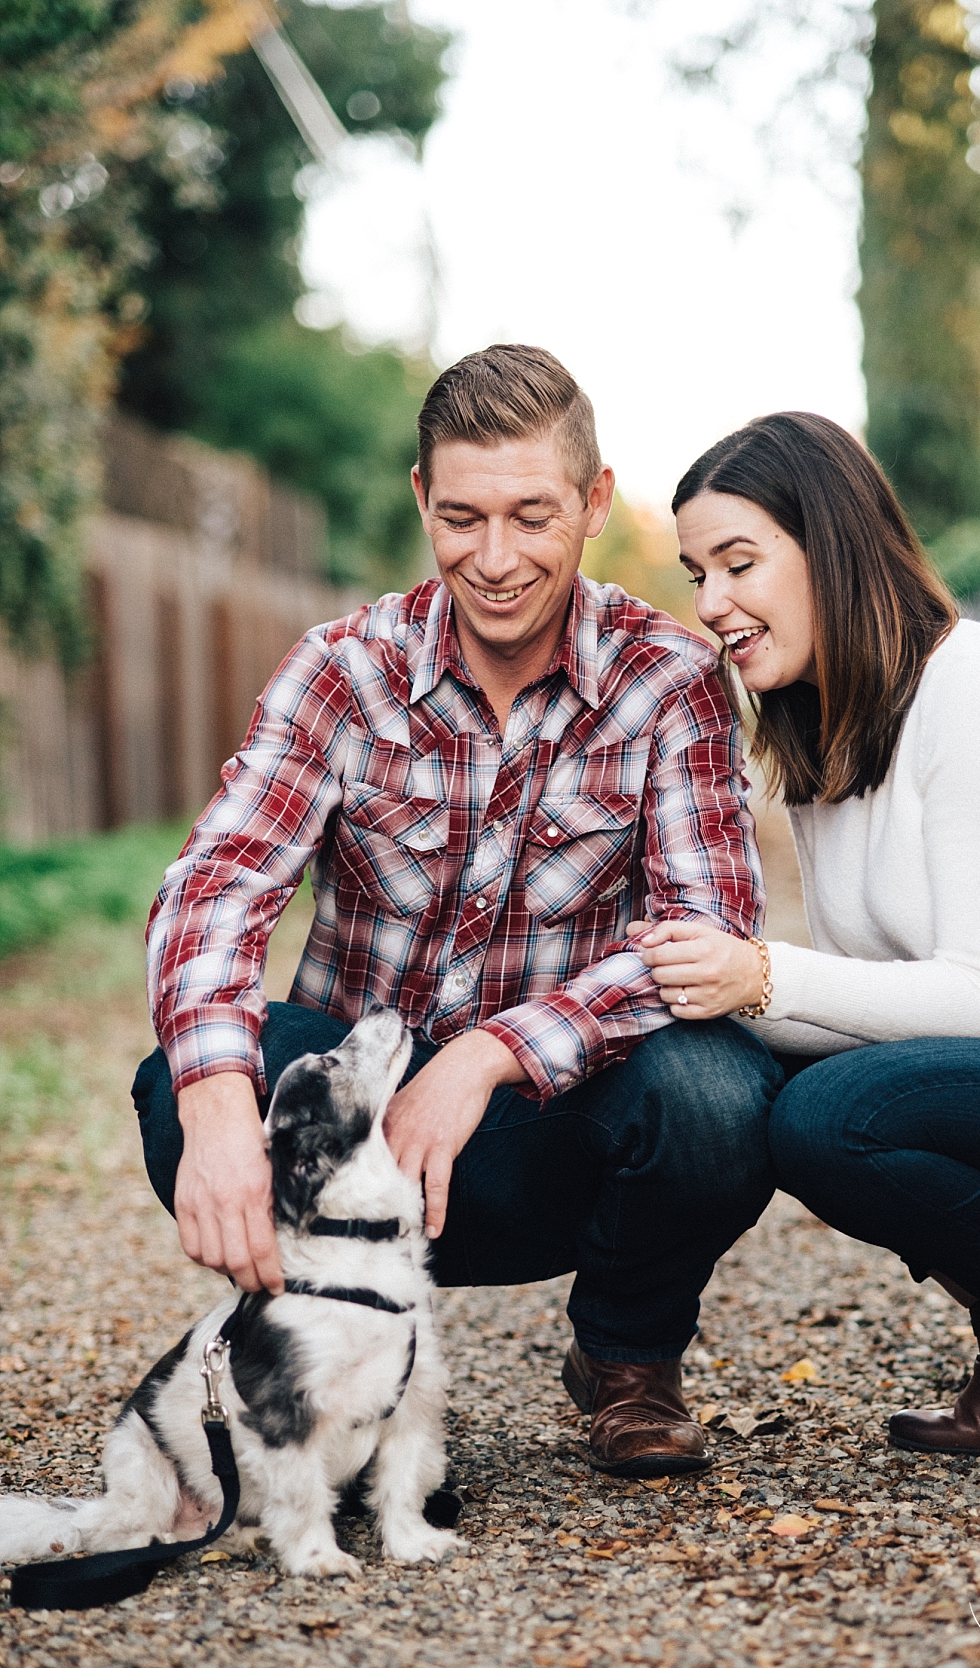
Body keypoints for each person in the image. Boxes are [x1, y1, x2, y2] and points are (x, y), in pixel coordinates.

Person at [133, 344, 784, 1480]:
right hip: (363, 1140)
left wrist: (489, 1053)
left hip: (545, 1134)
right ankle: (325, 1353)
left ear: (591, 504)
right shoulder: (343, 669)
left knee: (724, 1092)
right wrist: (219, 1108)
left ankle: (627, 1355)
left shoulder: (669, 677)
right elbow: (217, 885)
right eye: (463, 516)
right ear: (422, 500)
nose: (495, 559)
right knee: (181, 1083)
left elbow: (706, 935)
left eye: (532, 515)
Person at [634, 410, 980, 1501]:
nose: (711, 605)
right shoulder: (822, 735)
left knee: (835, 1114)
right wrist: (696, 988)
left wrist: (758, 972)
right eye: (698, 572)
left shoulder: (978, 687)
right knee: (765, 1086)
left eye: (740, 563)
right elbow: (874, 1010)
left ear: (833, 544)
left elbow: (979, 999)